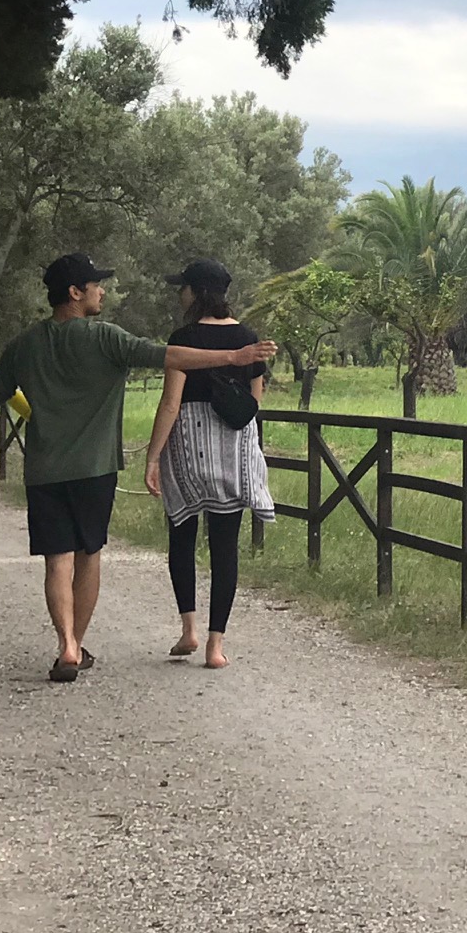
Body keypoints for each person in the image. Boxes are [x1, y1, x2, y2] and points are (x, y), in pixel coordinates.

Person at [0, 253, 278, 684]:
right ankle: (78, 643)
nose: (102, 291)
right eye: (95, 285)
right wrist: (234, 357)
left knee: (57, 560)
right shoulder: (106, 338)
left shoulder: (23, 345)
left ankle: (66, 643)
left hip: (44, 470)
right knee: (88, 557)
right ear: (75, 293)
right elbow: (165, 356)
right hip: (95, 469)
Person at [145, 260, 275, 670]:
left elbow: (171, 403)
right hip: (233, 446)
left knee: (182, 535)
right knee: (225, 546)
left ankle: (189, 629)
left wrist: (153, 456)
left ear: (197, 292)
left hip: (189, 446)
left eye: (182, 288)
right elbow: (254, 402)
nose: (179, 295)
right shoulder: (249, 339)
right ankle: (215, 646)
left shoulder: (184, 339)